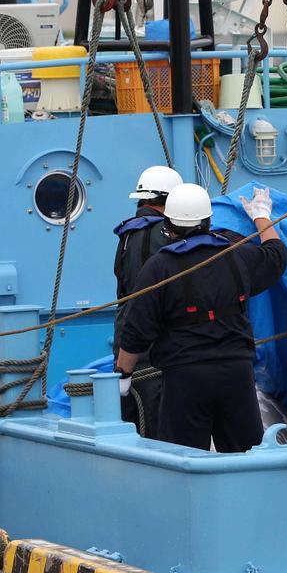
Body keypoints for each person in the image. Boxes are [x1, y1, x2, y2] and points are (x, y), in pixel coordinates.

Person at [115, 184, 287, 452]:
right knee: (245, 457)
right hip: (236, 374)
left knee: (183, 457)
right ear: (208, 221)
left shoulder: (159, 267)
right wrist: (261, 215)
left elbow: (135, 330)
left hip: (185, 378)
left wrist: (124, 375)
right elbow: (277, 255)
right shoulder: (238, 255)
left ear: (169, 226)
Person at [112, 165, 183, 437]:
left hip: (126, 341)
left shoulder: (127, 235)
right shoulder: (165, 235)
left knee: (133, 419)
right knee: (160, 426)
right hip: (154, 346)